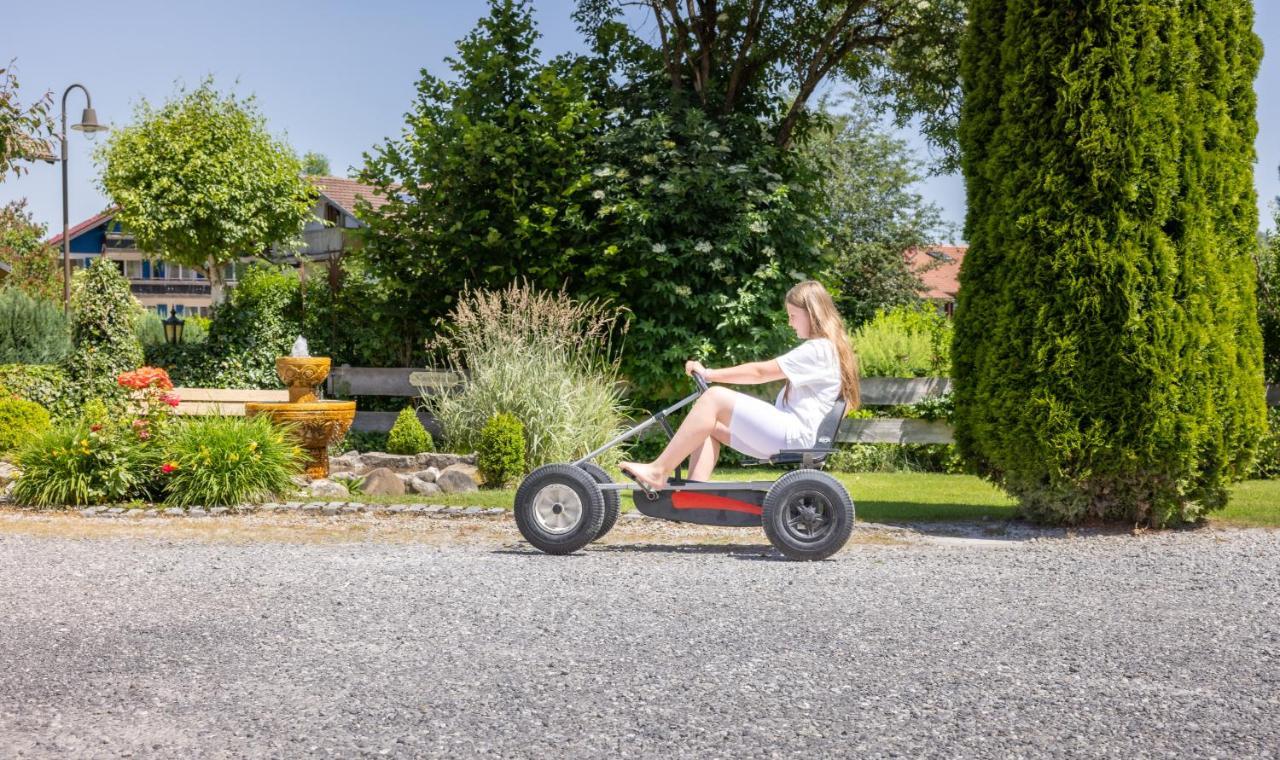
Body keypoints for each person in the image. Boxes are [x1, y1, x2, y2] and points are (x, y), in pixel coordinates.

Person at [619, 280, 860, 490]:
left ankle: (658, 471)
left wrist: (709, 373)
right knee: (706, 425)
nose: (790, 323)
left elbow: (759, 372)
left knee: (714, 397)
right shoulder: (826, 348)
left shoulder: (818, 349)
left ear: (811, 313)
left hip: (793, 436)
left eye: (793, 316)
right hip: (791, 434)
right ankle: (692, 494)